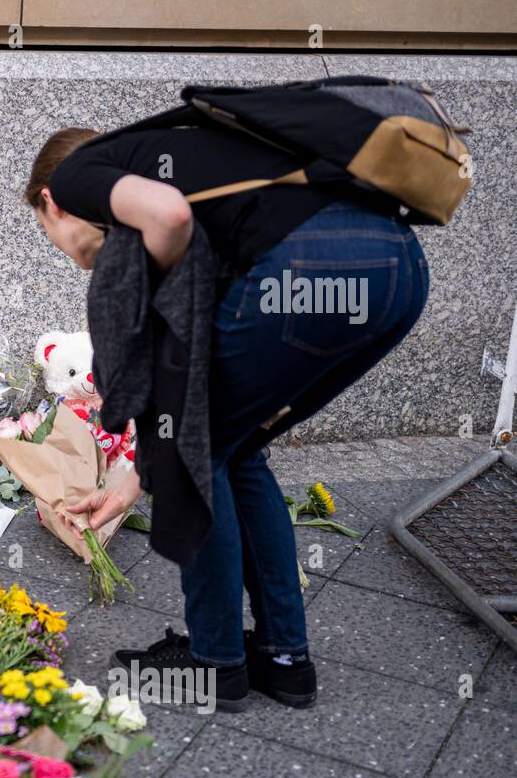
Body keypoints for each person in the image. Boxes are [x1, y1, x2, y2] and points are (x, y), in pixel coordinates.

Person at [25, 124, 430, 710]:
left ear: (52, 201)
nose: (69, 255)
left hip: (316, 269)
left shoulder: (81, 179)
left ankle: (214, 661)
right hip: (397, 272)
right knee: (233, 446)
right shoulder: (187, 186)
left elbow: (167, 217)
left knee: (199, 450)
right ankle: (284, 658)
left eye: (49, 234)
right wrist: (138, 474)